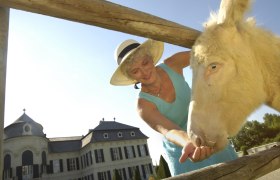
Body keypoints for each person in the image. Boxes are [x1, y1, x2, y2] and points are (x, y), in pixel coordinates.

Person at [110, 39, 237, 176]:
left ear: (151, 59)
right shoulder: (143, 106)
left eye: (145, 63)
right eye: (135, 71)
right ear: (131, 77)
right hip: (183, 151)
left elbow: (203, 54)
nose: (144, 72)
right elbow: (169, 130)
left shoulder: (172, 64)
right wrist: (189, 143)